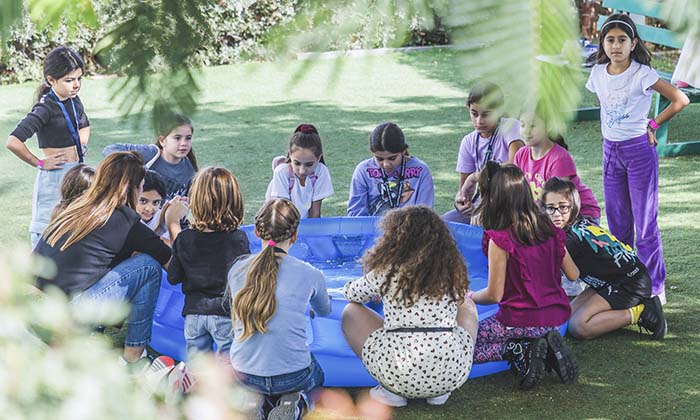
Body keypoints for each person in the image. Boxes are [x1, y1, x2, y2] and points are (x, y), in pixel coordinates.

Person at [33, 151, 188, 365]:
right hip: (67, 318)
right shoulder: (126, 221)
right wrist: (173, 223)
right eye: (141, 187)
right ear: (133, 188)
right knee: (149, 266)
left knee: (137, 263)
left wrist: (159, 227)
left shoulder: (76, 208)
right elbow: (176, 269)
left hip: (33, 311)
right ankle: (134, 357)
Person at [586, 14, 690, 303]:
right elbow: (604, 104)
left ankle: (656, 287)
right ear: (603, 43)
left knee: (645, 225)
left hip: (639, 153)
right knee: (618, 224)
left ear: (633, 43)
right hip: (611, 153)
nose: (616, 46)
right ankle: (627, 279)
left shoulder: (642, 73)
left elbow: (681, 99)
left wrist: (653, 125)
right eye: (610, 40)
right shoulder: (597, 73)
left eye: (622, 40)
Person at [341, 206, 477, 407]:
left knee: (350, 311)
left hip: (398, 369)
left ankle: (391, 391)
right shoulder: (450, 271)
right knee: (467, 304)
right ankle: (440, 391)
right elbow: (457, 300)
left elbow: (351, 294)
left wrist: (383, 292)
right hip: (451, 372)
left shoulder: (388, 270)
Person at [469, 162, 579, 390]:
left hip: (520, 320)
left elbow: (494, 294)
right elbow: (573, 273)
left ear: (494, 200)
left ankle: (520, 350)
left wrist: (469, 296)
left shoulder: (500, 240)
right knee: (513, 331)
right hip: (555, 318)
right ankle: (543, 349)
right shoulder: (552, 231)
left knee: (463, 344)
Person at [228, 199, 331, 419]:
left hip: (245, 373)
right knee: (317, 375)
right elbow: (325, 311)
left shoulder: (237, 269)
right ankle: (296, 403)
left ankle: (254, 401)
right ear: (294, 235)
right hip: (292, 375)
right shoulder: (309, 273)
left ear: (256, 231)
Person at [541, 177, 667, 340]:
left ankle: (642, 312)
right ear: (543, 209)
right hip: (609, 281)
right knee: (566, 317)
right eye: (551, 208)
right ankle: (616, 312)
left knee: (578, 326)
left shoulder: (570, 239)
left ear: (574, 207)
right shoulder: (574, 225)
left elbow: (563, 276)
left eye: (563, 207)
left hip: (629, 284)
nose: (557, 214)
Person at [6, 46, 91, 248]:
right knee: (46, 230)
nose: (76, 85)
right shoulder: (45, 107)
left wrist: (82, 144)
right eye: (69, 80)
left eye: (79, 79)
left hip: (76, 173)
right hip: (55, 176)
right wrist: (40, 162)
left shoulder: (74, 100)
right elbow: (13, 141)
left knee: (75, 228)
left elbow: (85, 124)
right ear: (51, 80)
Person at [168, 167, 250, 362]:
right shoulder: (237, 238)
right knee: (228, 368)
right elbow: (244, 279)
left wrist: (173, 224)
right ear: (234, 201)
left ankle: (197, 391)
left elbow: (173, 277)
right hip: (224, 314)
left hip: (193, 315)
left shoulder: (185, 238)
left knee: (198, 367)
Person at [446, 82, 524, 224]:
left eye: (486, 114)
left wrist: (476, 176)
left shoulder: (511, 126)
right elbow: (464, 189)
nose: (479, 121)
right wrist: (462, 201)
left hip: (510, 204)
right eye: (474, 114)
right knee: (443, 224)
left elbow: (516, 164)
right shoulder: (468, 141)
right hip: (481, 206)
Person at [103, 113, 198, 200]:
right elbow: (109, 150)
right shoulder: (150, 153)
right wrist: (134, 169)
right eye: (177, 138)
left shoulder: (190, 170)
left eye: (188, 138)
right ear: (162, 141)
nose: (184, 143)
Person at [347, 122, 434, 216]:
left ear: (403, 151)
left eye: (392, 158)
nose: (386, 164)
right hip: (370, 229)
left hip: (410, 229)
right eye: (379, 159)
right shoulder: (363, 170)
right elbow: (356, 213)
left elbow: (425, 214)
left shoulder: (421, 170)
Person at [266, 124, 334, 218]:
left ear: (319, 157)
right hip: (280, 223)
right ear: (290, 154)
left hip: (305, 224)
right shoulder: (282, 172)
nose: (302, 171)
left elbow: (315, 213)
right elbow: (281, 214)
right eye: (297, 163)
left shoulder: (321, 172)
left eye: (309, 164)